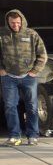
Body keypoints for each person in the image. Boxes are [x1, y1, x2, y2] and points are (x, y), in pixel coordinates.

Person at [0, 9, 47, 146]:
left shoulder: (32, 34)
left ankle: (33, 136)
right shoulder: (2, 35)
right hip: (8, 77)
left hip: (28, 77)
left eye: (18, 23)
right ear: (7, 22)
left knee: (32, 106)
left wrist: (35, 71)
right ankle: (15, 136)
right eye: (12, 23)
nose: (16, 25)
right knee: (10, 106)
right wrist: (1, 69)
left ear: (22, 21)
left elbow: (42, 55)